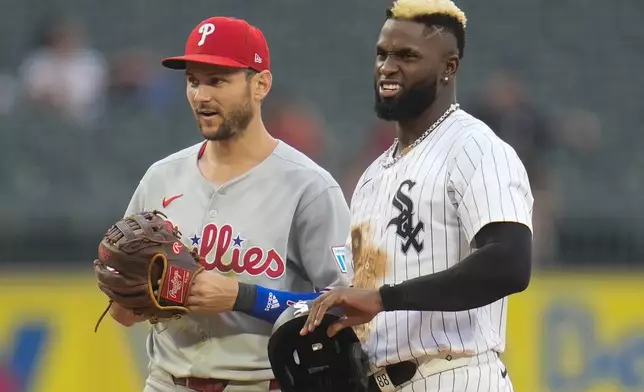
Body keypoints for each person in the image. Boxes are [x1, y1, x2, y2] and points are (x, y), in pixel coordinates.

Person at [297, 0, 534, 390]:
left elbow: (509, 262)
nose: (388, 67)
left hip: (455, 374)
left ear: (448, 67)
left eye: (406, 55)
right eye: (382, 54)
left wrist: (384, 298)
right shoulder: (372, 176)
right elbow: (364, 295)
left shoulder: (475, 148)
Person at [108, 16, 352, 392]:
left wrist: (243, 297)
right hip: (165, 382)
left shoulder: (310, 187)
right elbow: (123, 308)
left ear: (261, 84)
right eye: (193, 80)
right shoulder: (161, 177)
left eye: (217, 80)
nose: (201, 95)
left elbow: (343, 306)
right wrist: (129, 295)